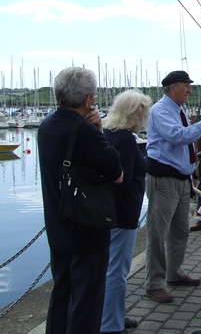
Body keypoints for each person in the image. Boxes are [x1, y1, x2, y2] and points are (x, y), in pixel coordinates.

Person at [38, 67, 123, 334]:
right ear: (88, 100)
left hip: (58, 223)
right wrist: (98, 129)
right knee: (86, 304)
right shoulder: (84, 132)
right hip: (87, 226)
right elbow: (117, 174)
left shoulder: (46, 126)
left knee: (62, 295)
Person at [144, 70, 201, 304]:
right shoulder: (160, 110)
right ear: (173, 87)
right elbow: (177, 136)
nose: (189, 90)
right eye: (186, 86)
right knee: (157, 234)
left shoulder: (177, 110)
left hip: (180, 179)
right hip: (163, 180)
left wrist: (190, 171)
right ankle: (153, 284)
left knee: (180, 231)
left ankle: (174, 273)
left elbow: (181, 144)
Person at [100, 90, 151, 334]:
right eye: (143, 113)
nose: (145, 119)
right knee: (117, 272)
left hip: (109, 214)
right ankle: (111, 324)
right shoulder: (128, 142)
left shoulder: (108, 133)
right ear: (135, 114)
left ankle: (113, 315)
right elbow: (123, 180)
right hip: (123, 214)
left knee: (109, 269)